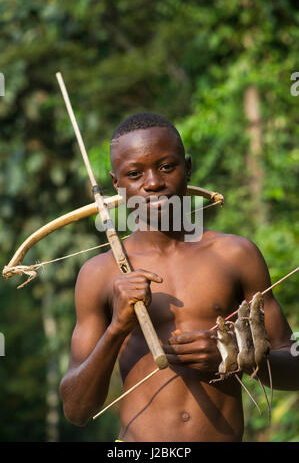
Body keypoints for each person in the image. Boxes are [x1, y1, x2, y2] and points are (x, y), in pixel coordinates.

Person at [59, 112, 299, 442]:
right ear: (117, 184)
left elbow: (294, 366)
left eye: (166, 166)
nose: (153, 182)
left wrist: (233, 357)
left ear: (187, 168)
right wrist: (118, 327)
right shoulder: (99, 274)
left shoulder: (235, 255)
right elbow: (76, 410)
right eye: (134, 173)